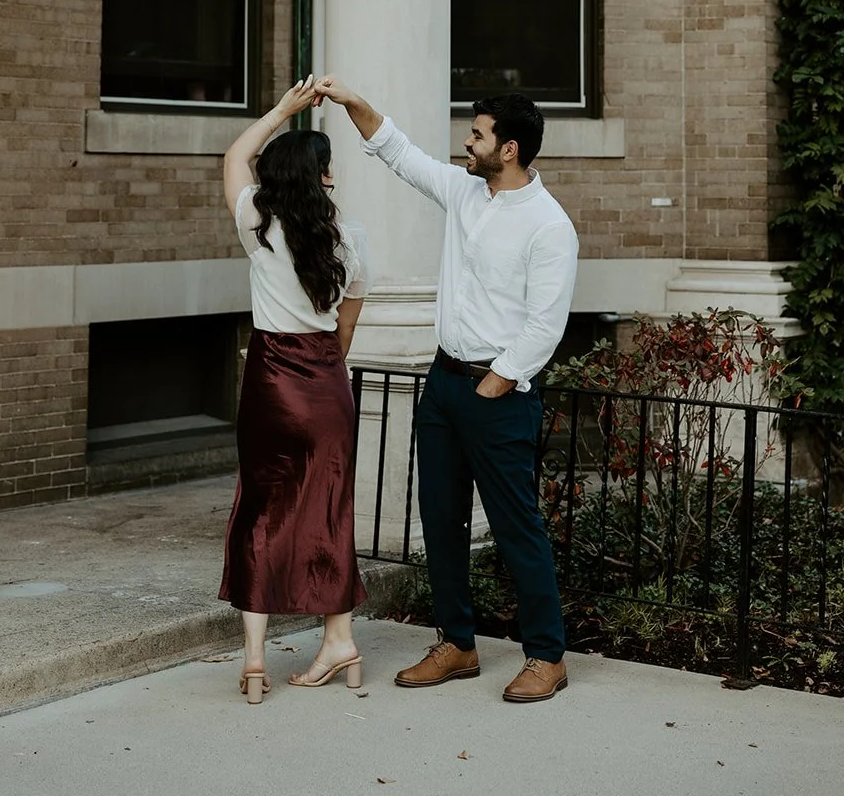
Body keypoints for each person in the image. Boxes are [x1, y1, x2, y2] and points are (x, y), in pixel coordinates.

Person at [314, 78, 577, 705]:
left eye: (478, 133)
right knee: (440, 518)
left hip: (498, 395)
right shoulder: (464, 190)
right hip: (443, 384)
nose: (467, 140)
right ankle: (457, 643)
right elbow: (400, 152)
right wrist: (355, 105)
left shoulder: (549, 225)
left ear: (509, 149)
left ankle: (546, 655)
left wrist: (500, 379)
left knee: (518, 527)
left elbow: (547, 321)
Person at [220, 75, 369, 704]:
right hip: (326, 381)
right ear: (325, 178)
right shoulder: (347, 241)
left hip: (271, 378)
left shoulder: (259, 220)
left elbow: (235, 155)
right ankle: (340, 642)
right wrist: (325, 374)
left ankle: (255, 662)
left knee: (260, 508)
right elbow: (346, 327)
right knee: (327, 510)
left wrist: (285, 107)